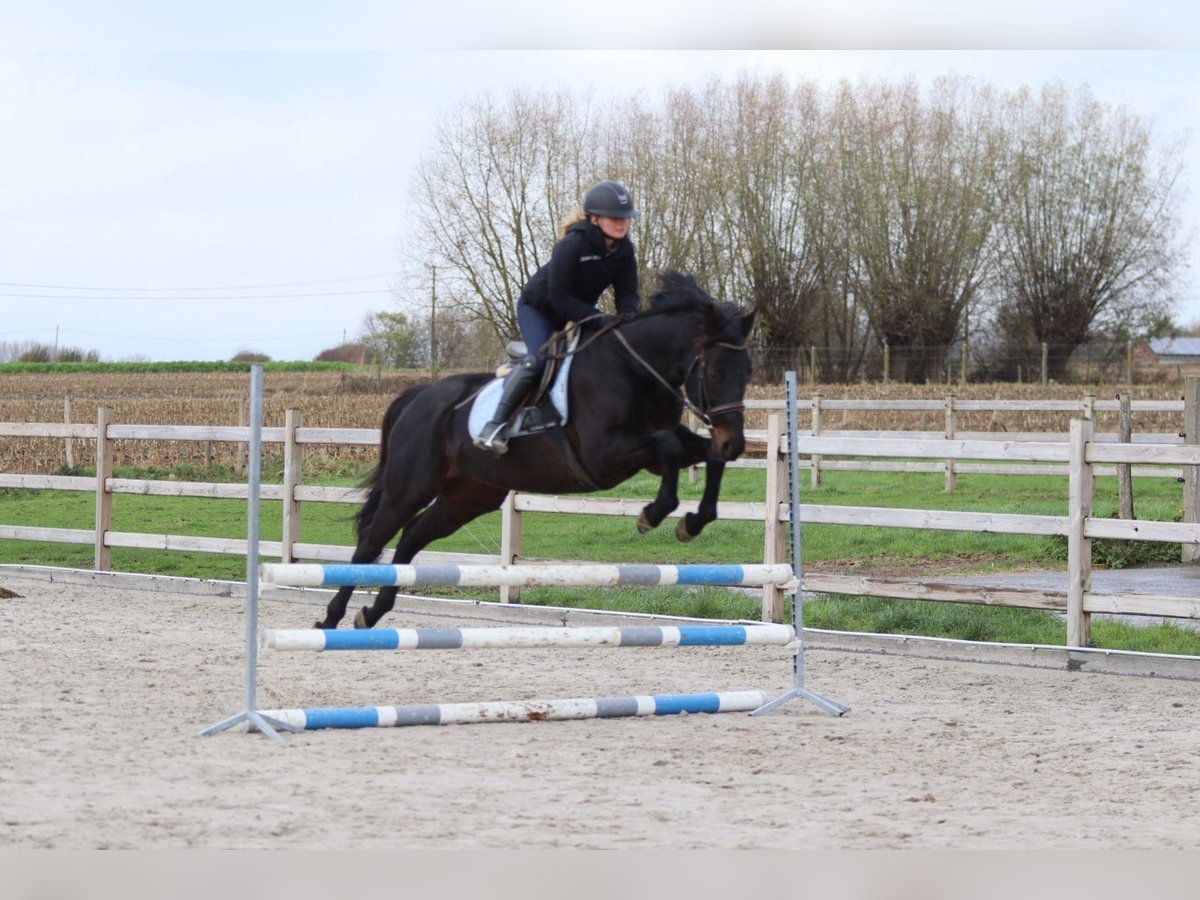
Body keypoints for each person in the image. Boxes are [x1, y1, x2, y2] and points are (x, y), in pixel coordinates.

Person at [475, 179, 641, 456]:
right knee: (539, 360)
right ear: (595, 219)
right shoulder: (572, 244)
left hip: (577, 312)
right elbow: (560, 298)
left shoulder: (625, 251)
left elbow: (627, 295)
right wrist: (599, 318)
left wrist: (630, 319)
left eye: (625, 218)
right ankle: (494, 426)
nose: (622, 223)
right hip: (539, 309)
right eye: (615, 217)